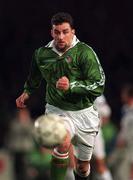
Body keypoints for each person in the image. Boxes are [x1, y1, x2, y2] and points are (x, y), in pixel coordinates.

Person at [16, 12, 105, 180]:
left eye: (65, 31)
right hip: (57, 109)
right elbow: (34, 77)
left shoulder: (85, 53)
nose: (61, 36)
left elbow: (98, 84)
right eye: (57, 32)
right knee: (62, 142)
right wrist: (27, 92)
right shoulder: (42, 54)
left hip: (84, 113)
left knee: (82, 167)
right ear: (52, 32)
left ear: (73, 32)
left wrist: (71, 86)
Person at [92, 95, 113, 180]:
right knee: (73, 165)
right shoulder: (71, 90)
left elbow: (106, 113)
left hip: (93, 133)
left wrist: (97, 124)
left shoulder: (97, 93)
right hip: (75, 132)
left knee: (100, 164)